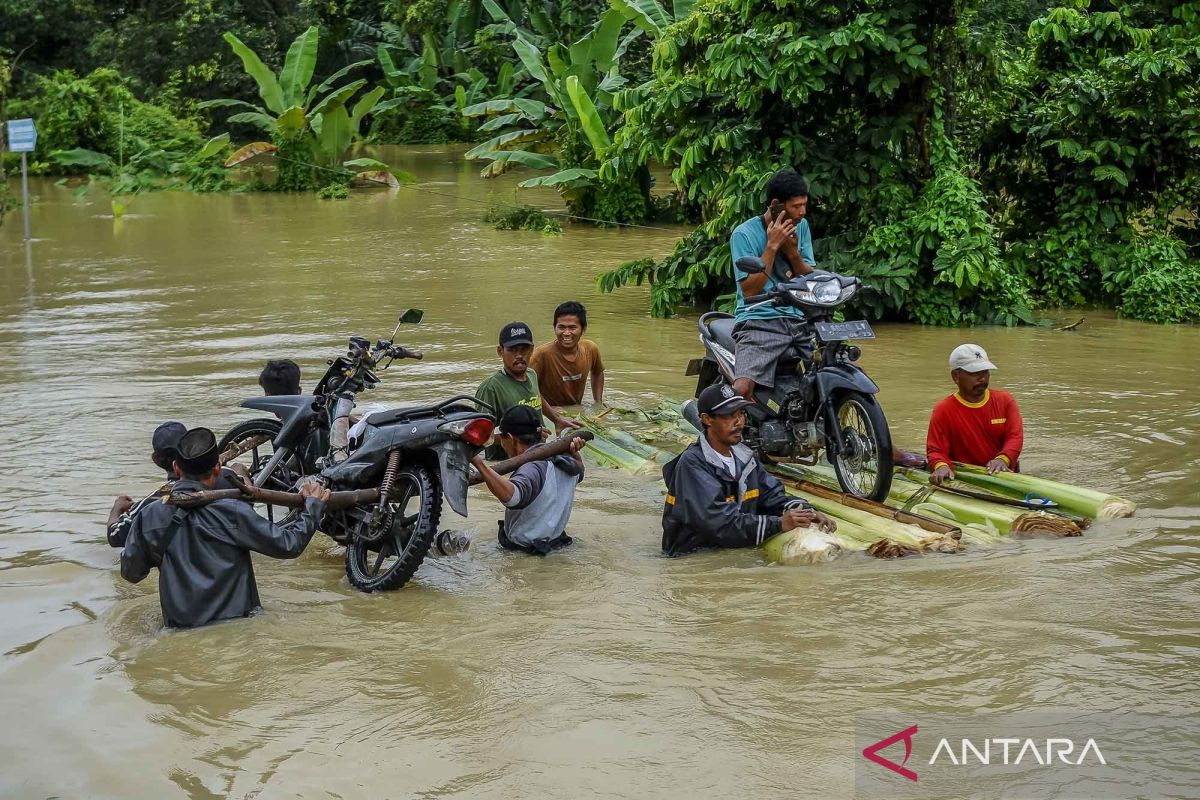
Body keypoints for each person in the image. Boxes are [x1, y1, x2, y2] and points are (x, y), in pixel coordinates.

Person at [120, 427, 330, 629]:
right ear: (218, 468)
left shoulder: (149, 516)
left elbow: (132, 573)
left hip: (180, 632)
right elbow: (289, 544)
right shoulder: (234, 512)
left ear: (176, 468)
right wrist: (313, 507)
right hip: (240, 629)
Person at [661, 384, 836, 555]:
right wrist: (779, 524)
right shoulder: (692, 463)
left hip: (730, 550)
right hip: (694, 556)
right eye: (729, 415)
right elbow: (719, 523)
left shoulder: (745, 458)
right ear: (707, 419)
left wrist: (806, 512)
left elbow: (773, 497)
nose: (739, 422)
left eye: (741, 414)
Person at [729, 167, 817, 400]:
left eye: (804, 205)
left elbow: (808, 278)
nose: (802, 212)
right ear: (776, 204)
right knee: (742, 389)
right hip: (759, 319)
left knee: (841, 364)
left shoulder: (802, 227)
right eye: (796, 206)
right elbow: (749, 290)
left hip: (798, 317)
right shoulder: (743, 234)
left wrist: (792, 253)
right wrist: (772, 246)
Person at [107, 421, 242, 548]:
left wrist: (117, 508)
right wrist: (240, 473)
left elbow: (115, 536)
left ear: (155, 460)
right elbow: (249, 497)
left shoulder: (153, 503)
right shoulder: (227, 476)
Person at [471, 405, 585, 555]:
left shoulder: (532, 468)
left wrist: (478, 463)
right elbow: (580, 472)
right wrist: (575, 453)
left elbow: (513, 497)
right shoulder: (567, 461)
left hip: (524, 555)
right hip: (558, 546)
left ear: (510, 439)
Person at [475, 321, 579, 459]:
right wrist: (525, 434)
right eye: (512, 350)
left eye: (524, 349)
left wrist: (556, 419)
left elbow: (535, 397)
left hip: (536, 455)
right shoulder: (491, 388)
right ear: (500, 351)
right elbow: (478, 437)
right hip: (506, 463)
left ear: (532, 350)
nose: (519, 355)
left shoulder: (532, 375)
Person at [926, 344, 1024, 486]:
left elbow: (1015, 437)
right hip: (966, 480)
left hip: (1003, 476)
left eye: (985, 372)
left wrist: (1002, 460)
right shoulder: (943, 410)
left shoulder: (1005, 400)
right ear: (956, 376)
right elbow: (936, 451)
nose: (982, 379)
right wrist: (941, 467)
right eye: (974, 373)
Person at [530, 301, 605, 409]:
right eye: (561, 327)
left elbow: (598, 373)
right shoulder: (541, 355)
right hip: (550, 413)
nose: (566, 333)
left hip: (575, 409)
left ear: (583, 329)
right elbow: (526, 388)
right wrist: (548, 410)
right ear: (554, 328)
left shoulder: (590, 349)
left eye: (572, 328)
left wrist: (598, 403)